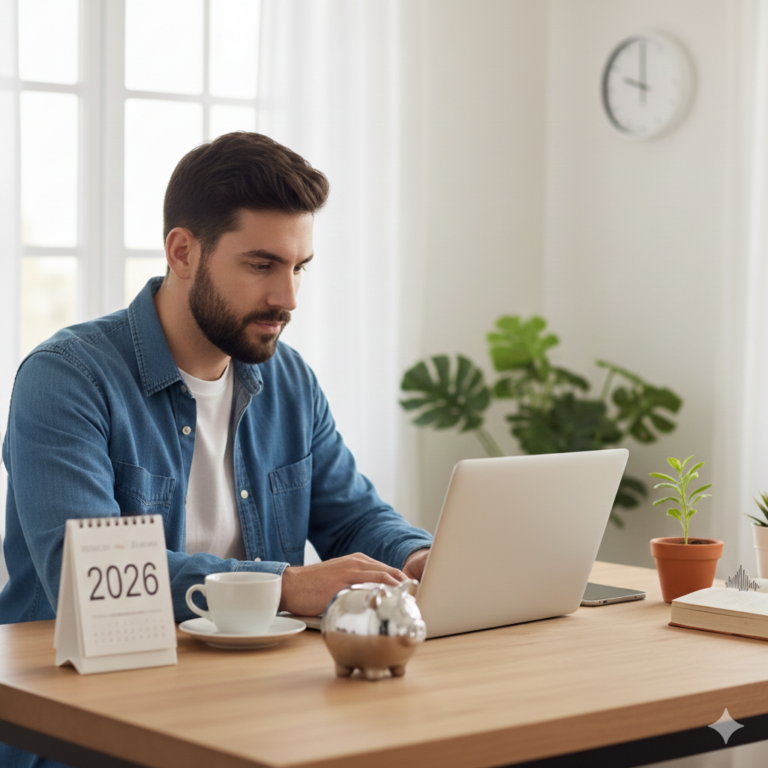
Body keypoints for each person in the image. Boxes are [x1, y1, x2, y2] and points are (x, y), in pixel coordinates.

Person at [0, 132, 432, 768]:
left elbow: (354, 517)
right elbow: (86, 575)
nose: (287, 298)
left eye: (298, 268)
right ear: (183, 251)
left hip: (251, 709)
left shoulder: (289, 380)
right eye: (262, 265)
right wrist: (283, 587)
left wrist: (417, 559)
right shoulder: (68, 378)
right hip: (87, 724)